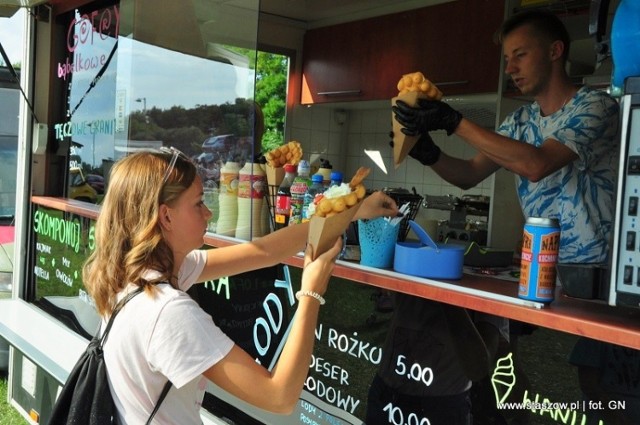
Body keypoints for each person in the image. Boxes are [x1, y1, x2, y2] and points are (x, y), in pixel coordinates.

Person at [82, 147, 398, 424]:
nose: (208, 213)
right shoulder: (168, 312)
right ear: (166, 217)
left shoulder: (137, 276)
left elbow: (264, 252)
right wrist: (311, 293)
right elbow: (279, 397)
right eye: (198, 203)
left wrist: (351, 210)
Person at [393, 9, 620, 264]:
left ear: (555, 51)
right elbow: (469, 173)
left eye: (520, 55)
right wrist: (428, 153)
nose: (510, 68)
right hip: (539, 264)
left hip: (595, 270)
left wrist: (452, 121)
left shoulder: (596, 106)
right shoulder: (519, 120)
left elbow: (536, 165)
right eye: (508, 58)